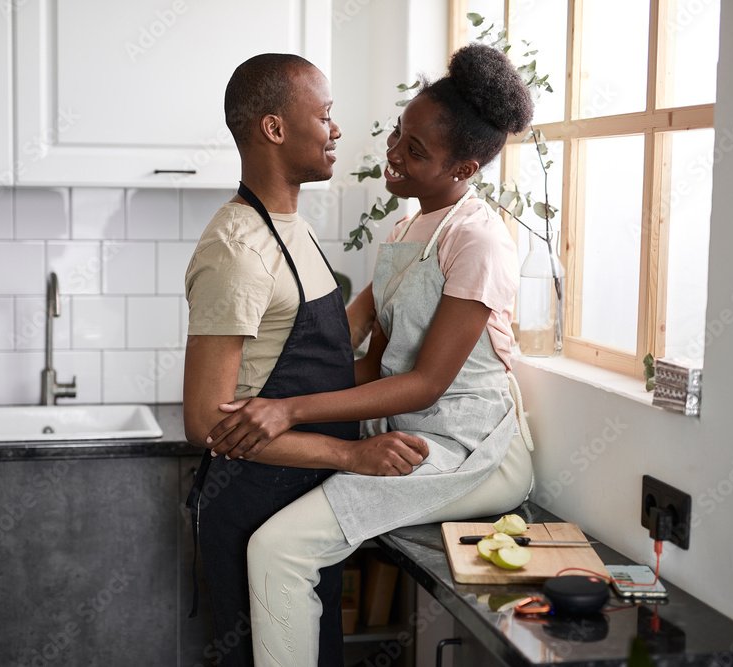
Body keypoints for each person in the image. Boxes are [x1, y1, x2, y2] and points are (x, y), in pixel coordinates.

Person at [204, 43, 537, 665]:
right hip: (413, 434)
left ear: (464, 166)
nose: (393, 154)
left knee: (280, 548)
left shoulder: (480, 239)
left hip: (472, 448)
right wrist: (268, 405)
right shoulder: (404, 232)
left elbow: (426, 382)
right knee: (278, 547)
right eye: (399, 134)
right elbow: (352, 355)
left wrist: (290, 410)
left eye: (417, 152)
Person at [182, 54, 430, 667]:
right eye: (324, 116)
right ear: (273, 128)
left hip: (304, 503)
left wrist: (409, 264)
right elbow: (206, 423)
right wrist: (351, 453)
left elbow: (321, 349)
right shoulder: (236, 249)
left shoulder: (293, 227)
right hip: (253, 505)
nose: (336, 130)